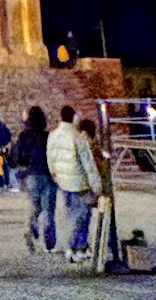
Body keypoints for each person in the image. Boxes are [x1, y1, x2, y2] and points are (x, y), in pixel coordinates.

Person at [47, 105, 102, 263]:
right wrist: (96, 185)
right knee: (81, 217)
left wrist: (55, 174)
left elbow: (50, 157)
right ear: (73, 117)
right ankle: (75, 247)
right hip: (79, 183)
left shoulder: (53, 135)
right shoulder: (78, 137)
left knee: (71, 214)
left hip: (62, 182)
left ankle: (79, 246)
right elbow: (88, 163)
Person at [13, 106, 57, 253]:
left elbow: (17, 156)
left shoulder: (23, 136)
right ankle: (49, 241)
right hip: (47, 174)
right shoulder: (47, 136)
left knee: (34, 205)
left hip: (31, 174)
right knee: (48, 208)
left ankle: (30, 228)